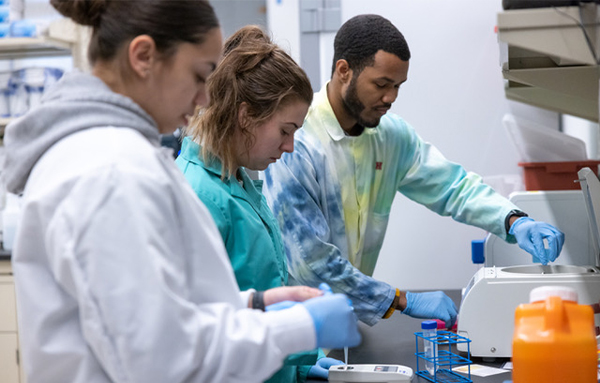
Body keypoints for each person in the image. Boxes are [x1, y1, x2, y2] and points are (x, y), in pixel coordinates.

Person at [2, 1, 360, 382]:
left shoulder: (113, 155)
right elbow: (161, 360)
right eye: (199, 74)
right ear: (143, 57)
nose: (205, 98)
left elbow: (147, 309)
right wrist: (298, 329)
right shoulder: (111, 172)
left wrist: (253, 305)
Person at [262, 14, 565, 327]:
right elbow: (312, 261)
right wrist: (400, 299)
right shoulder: (296, 141)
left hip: (346, 324)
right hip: (296, 330)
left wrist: (513, 220)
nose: (390, 98)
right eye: (381, 85)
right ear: (344, 71)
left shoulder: (390, 137)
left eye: (397, 86)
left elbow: (453, 187)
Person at [176, 25, 343, 382]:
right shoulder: (200, 196)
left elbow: (254, 288)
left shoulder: (236, 178)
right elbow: (197, 328)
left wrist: (298, 360)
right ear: (246, 115)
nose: (290, 147)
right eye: (285, 131)